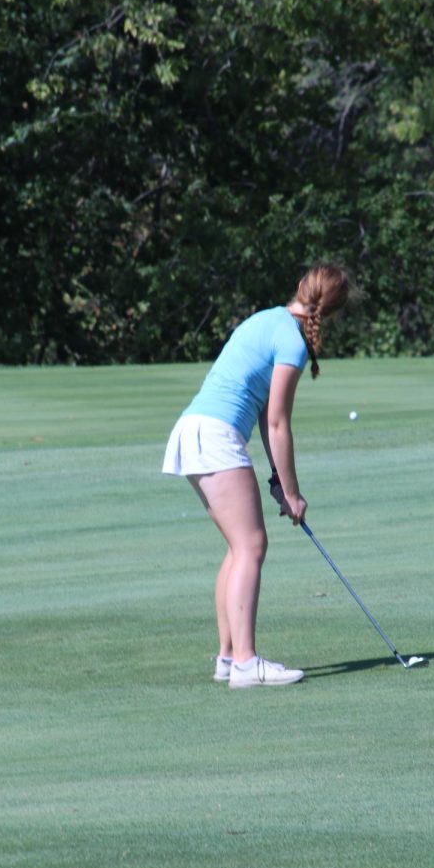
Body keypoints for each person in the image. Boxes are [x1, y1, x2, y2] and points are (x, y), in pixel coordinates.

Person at [162, 262, 351, 688]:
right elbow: (280, 423)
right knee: (251, 544)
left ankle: (228, 659)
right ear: (333, 312)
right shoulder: (292, 341)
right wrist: (294, 493)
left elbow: (266, 416)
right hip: (215, 434)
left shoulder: (268, 319)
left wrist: (281, 484)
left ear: (301, 286)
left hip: (194, 430)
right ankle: (247, 664)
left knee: (238, 547)